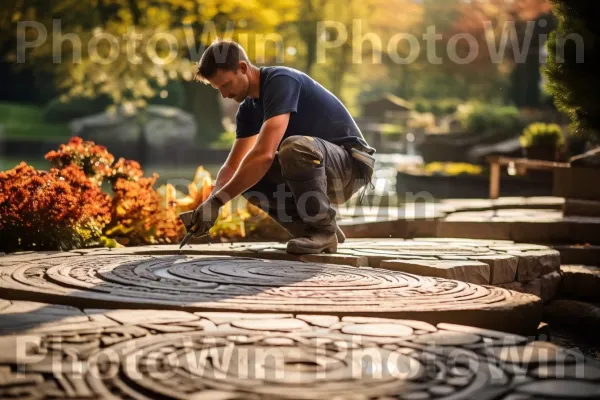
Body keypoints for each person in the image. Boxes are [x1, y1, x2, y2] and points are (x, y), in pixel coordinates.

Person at [188, 39, 376, 254]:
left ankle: (322, 230)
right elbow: (233, 167)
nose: (224, 94)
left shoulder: (280, 81)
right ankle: (318, 228)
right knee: (244, 178)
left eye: (226, 84)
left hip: (350, 168)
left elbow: (264, 155)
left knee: (293, 147)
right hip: (318, 167)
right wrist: (211, 202)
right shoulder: (247, 110)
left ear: (242, 68)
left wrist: (219, 200)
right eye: (218, 89)